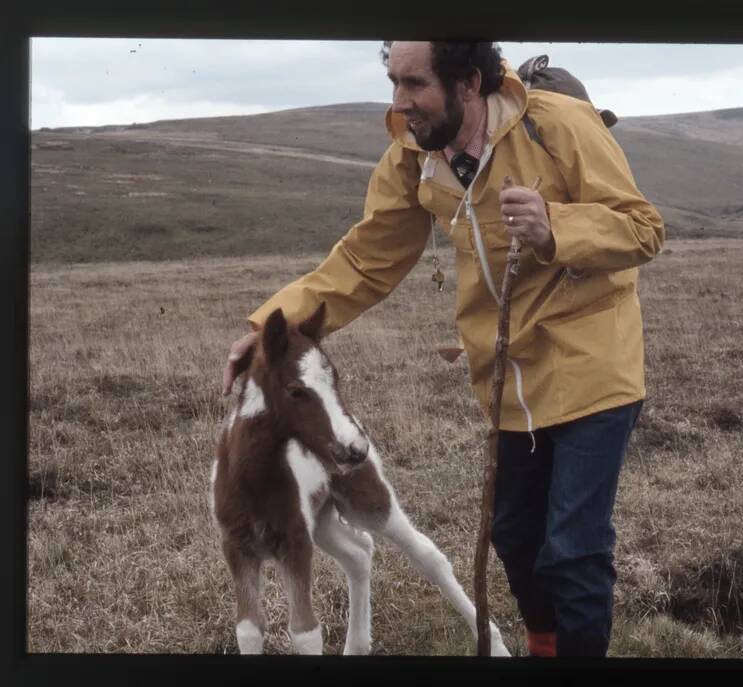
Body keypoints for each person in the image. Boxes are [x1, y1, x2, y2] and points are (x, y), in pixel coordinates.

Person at [222, 40, 664, 658]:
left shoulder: (557, 126)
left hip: (594, 367)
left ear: (467, 83)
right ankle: (546, 650)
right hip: (508, 378)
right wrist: (272, 325)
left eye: (414, 85)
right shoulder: (414, 157)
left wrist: (555, 227)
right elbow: (365, 258)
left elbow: (643, 228)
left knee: (573, 549)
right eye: (393, 83)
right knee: (514, 536)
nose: (400, 104)